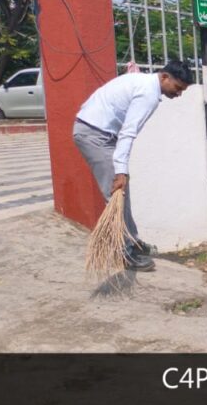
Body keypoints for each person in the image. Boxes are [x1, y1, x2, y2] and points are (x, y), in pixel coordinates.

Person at [73, 60, 194, 272]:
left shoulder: (142, 81)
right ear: (165, 77)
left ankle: (132, 241)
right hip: (95, 135)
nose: (178, 94)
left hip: (96, 131)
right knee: (116, 193)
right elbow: (128, 132)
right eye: (177, 88)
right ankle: (124, 253)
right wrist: (121, 171)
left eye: (182, 90)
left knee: (122, 193)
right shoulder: (148, 94)